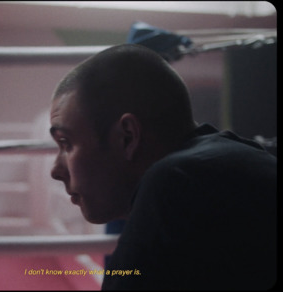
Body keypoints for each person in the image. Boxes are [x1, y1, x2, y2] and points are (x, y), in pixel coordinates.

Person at [49, 44, 276, 290]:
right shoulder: (243, 160)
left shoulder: (174, 181)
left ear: (127, 137)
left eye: (66, 143)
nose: (56, 170)